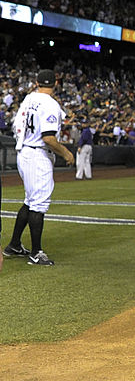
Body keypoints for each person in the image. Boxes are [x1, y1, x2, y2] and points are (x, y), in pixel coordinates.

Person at [3, 69, 76, 266]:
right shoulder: (50, 104)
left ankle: (14, 245)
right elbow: (49, 138)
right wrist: (66, 153)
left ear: (36, 83)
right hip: (37, 154)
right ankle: (36, 253)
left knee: (30, 201)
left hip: (24, 151)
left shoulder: (29, 98)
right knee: (38, 204)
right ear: (56, 83)